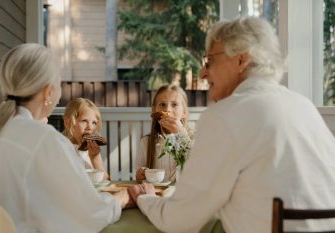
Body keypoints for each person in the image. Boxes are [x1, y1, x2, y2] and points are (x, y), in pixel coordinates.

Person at [128, 17, 335, 233]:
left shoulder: (225, 115)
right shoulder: (304, 107)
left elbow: (179, 220)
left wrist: (145, 198)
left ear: (241, 60)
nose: (203, 73)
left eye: (210, 61)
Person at [0, 43, 132, 233]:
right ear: (48, 92)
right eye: (59, 84)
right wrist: (121, 199)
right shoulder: (45, 140)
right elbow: (88, 216)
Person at [135, 84, 193, 182]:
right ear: (154, 110)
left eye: (174, 104)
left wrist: (182, 134)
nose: (167, 110)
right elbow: (138, 176)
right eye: (162, 104)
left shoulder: (194, 140)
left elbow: (198, 169)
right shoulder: (146, 142)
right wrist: (140, 174)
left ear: (184, 112)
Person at [63, 97, 109, 180]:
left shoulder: (92, 151)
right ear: (68, 123)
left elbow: (106, 181)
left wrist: (95, 159)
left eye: (94, 122)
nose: (90, 127)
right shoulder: (63, 150)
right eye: (84, 121)